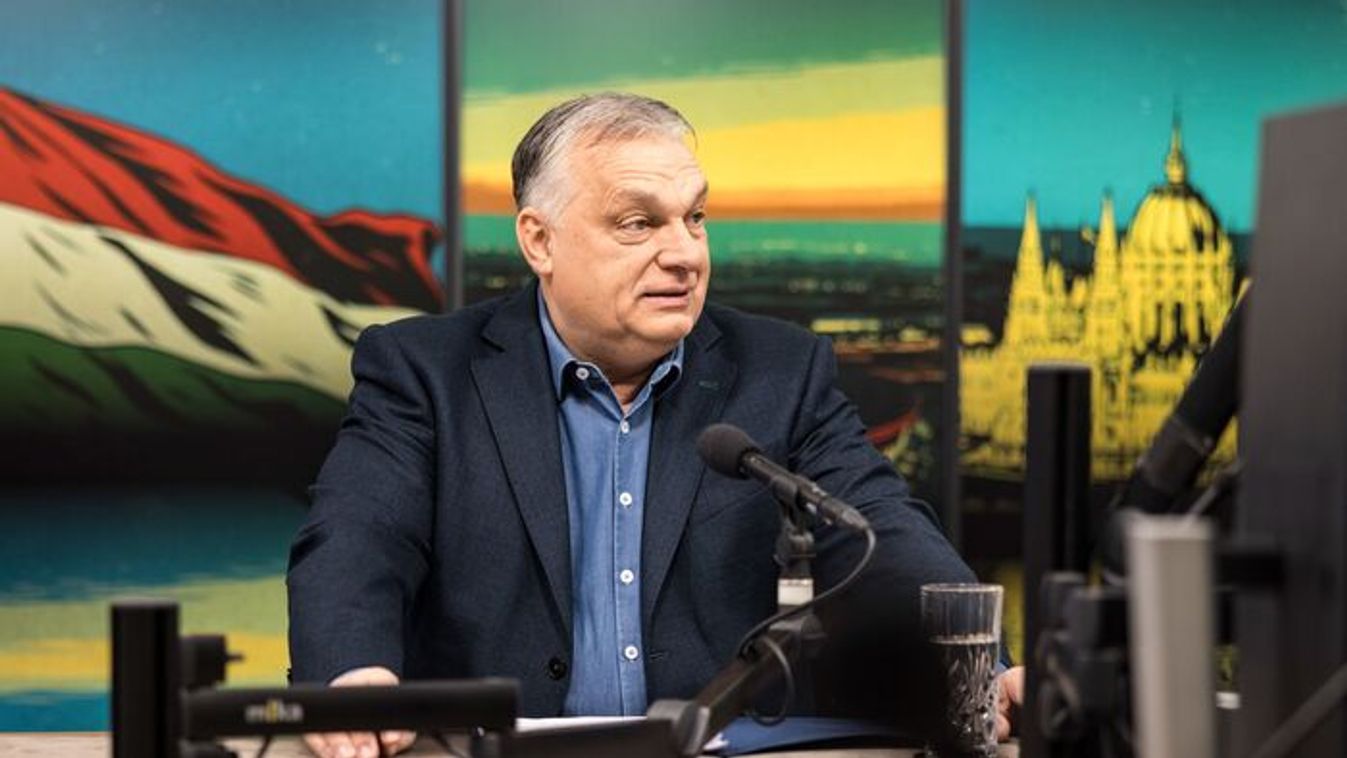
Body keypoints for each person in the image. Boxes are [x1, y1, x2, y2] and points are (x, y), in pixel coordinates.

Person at [288, 92, 1024, 758]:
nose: (684, 254)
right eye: (638, 223)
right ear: (539, 241)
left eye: (694, 218)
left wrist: (977, 667)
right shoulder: (425, 371)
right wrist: (351, 672)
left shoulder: (780, 373)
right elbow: (357, 536)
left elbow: (881, 534)